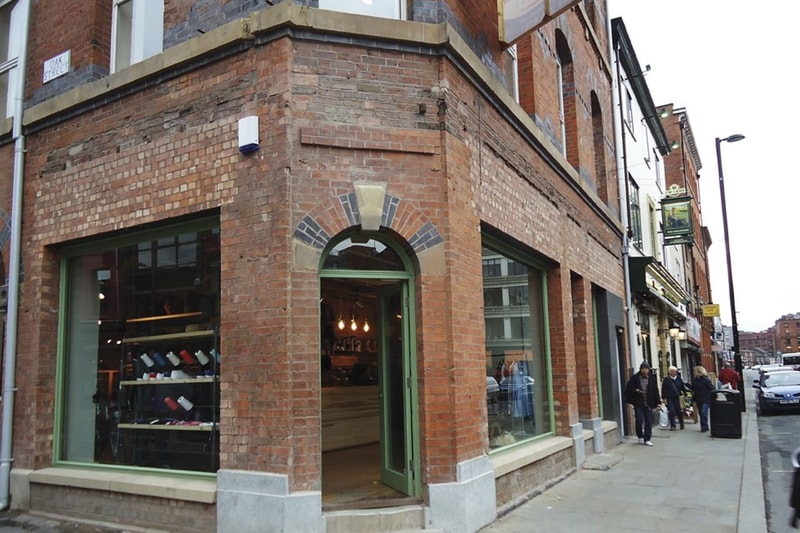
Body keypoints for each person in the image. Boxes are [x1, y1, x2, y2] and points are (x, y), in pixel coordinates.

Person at [625, 361, 660, 446]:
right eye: (643, 369)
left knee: (649, 421)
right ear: (640, 369)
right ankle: (640, 435)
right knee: (639, 419)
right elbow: (629, 388)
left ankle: (647, 439)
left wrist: (658, 402)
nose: (644, 371)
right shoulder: (635, 378)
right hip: (638, 403)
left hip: (648, 403)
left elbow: (655, 390)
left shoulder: (652, 378)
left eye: (646, 369)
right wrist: (636, 390)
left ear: (648, 370)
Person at [661, 366, 688, 431]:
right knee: (671, 411)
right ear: (669, 372)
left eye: (675, 371)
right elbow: (663, 389)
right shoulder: (666, 379)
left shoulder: (679, 378)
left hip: (677, 397)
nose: (674, 373)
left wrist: (685, 394)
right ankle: (673, 425)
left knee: (679, 411)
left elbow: (682, 387)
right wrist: (663, 397)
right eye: (672, 371)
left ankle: (681, 423)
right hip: (669, 397)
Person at [692, 365, 715, 433]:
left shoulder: (705, 380)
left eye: (695, 371)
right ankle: (704, 426)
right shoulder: (695, 380)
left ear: (699, 372)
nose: (694, 373)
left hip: (705, 399)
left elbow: (712, 388)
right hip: (698, 399)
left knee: (703, 412)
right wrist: (686, 384)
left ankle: (704, 427)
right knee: (701, 413)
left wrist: (712, 395)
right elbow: (694, 388)